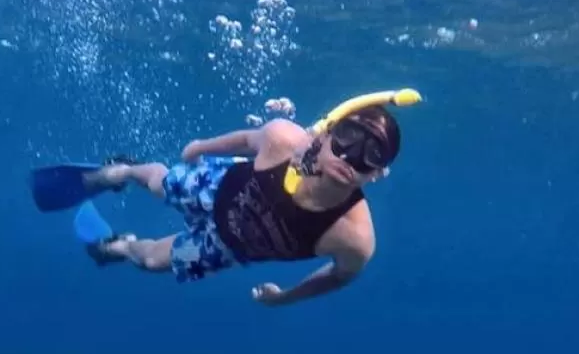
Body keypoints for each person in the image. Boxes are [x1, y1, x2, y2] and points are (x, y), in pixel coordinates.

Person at [81, 104, 400, 307]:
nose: (350, 157)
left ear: (378, 172)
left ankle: (120, 247)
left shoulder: (354, 238)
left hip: (223, 246)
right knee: (159, 184)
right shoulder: (286, 140)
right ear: (328, 133)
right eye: (349, 137)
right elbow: (248, 140)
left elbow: (340, 276)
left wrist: (286, 297)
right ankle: (123, 171)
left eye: (372, 154)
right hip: (212, 186)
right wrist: (200, 147)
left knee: (151, 262)